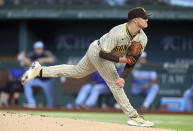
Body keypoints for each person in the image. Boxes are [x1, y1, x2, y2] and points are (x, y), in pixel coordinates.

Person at [21, 7, 154, 127]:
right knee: (115, 83)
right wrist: (123, 59)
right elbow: (103, 54)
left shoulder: (143, 38)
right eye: (144, 17)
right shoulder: (118, 32)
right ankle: (134, 117)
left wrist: (123, 77)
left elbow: (132, 60)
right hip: (98, 52)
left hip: (104, 53)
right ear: (136, 20)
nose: (147, 19)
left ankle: (40, 70)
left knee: (77, 71)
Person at [18, 41, 56, 108]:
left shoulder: (46, 53)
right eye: (38, 48)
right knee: (27, 82)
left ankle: (51, 107)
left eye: (40, 48)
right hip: (37, 79)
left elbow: (53, 59)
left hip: (47, 80)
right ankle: (31, 103)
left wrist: (43, 59)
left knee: (50, 98)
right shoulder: (32, 55)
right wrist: (24, 58)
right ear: (35, 49)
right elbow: (26, 61)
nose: (39, 50)